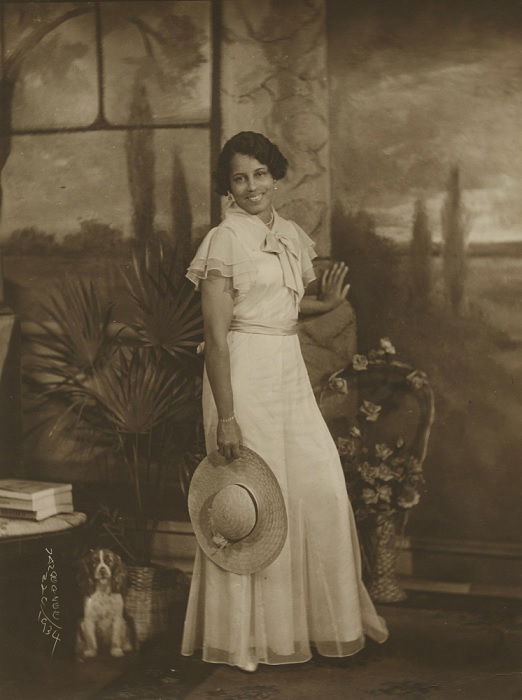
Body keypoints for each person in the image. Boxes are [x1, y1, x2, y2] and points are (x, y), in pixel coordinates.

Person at [182, 131, 388, 672]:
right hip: (241, 377)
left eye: (259, 174)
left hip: (287, 372)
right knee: (254, 499)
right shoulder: (224, 240)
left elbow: (283, 313)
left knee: (316, 486)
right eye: (239, 178)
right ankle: (250, 638)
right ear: (228, 187)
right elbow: (218, 331)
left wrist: (325, 304)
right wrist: (227, 417)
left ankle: (317, 627)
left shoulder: (292, 234)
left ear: (276, 176)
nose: (251, 186)